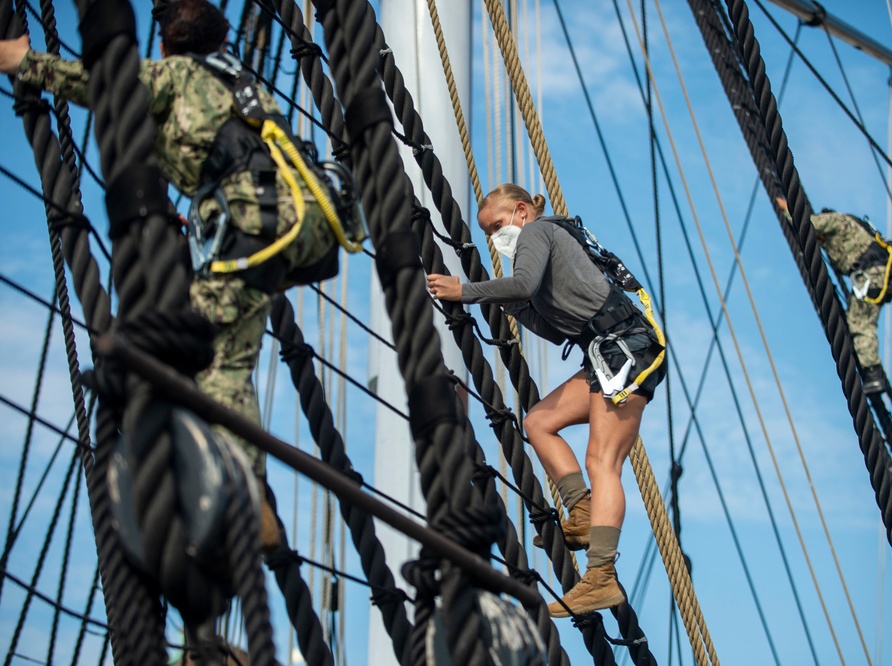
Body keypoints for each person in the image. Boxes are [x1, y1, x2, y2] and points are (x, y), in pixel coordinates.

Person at [0, 0, 353, 549]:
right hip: (287, 233)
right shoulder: (240, 83)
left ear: (165, 43)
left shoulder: (176, 74)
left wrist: (27, 62)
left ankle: (214, 490)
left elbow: (109, 84)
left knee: (176, 342)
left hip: (251, 232)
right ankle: (248, 494)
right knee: (228, 363)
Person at [427, 184, 665, 617]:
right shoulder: (538, 247)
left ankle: (602, 577)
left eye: (497, 226)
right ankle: (582, 509)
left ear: (521, 211)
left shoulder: (536, 234)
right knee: (538, 422)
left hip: (626, 348)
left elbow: (522, 283)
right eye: (488, 232)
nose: (495, 237)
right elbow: (555, 329)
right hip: (603, 351)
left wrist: (466, 292)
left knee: (603, 462)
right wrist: (516, 305)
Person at [777, 197, 892, 394]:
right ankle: (866, 362)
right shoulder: (851, 228)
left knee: (861, 324)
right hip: (882, 275)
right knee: (856, 318)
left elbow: (806, 223)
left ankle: (873, 372)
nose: (821, 242)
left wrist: (785, 208)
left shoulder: (834, 221)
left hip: (874, 274)